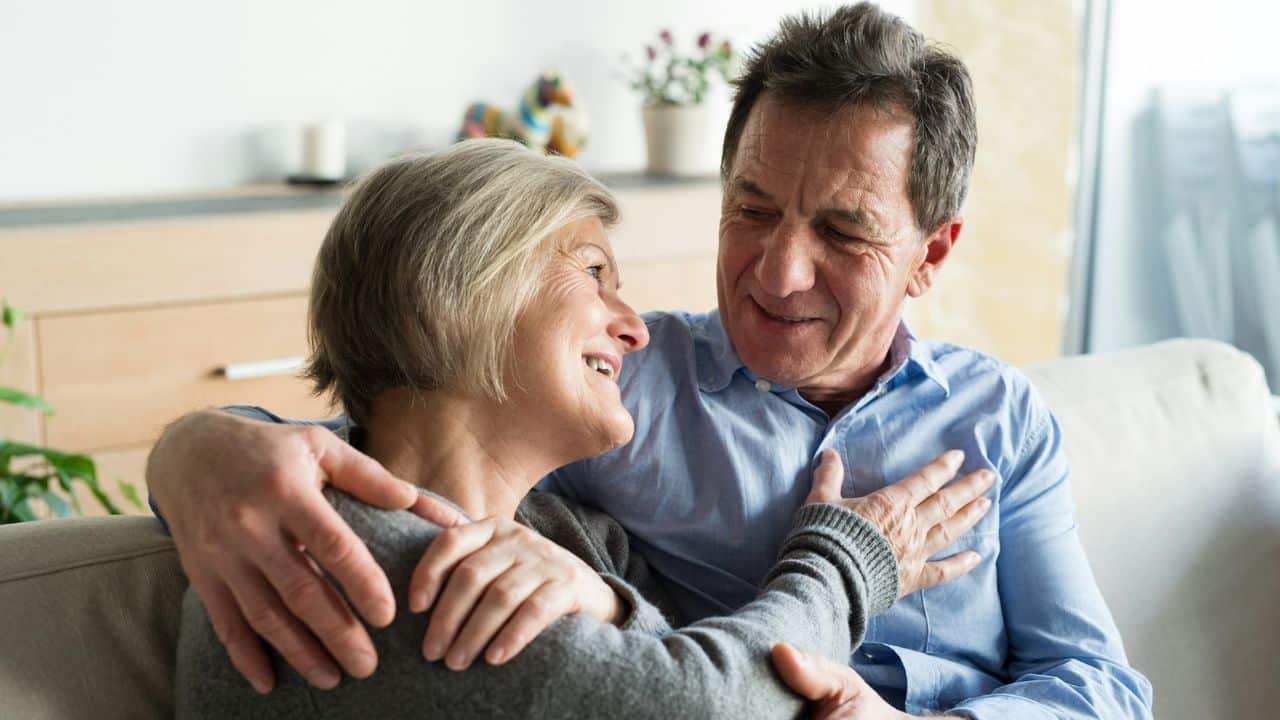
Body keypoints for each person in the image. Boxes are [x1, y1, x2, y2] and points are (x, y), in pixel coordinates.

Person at [149, 5, 1155, 718]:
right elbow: (397, 422)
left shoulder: (999, 415)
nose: (778, 268)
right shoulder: (619, 396)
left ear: (930, 253)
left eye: (842, 232)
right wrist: (199, 448)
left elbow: (1101, 689)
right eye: (750, 210)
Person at [172, 138, 993, 718]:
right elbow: (716, 702)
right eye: (594, 272)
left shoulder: (563, 534)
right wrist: (849, 562)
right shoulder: (344, 560)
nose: (634, 328)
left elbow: (680, 649)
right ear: (464, 285)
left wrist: (605, 601)